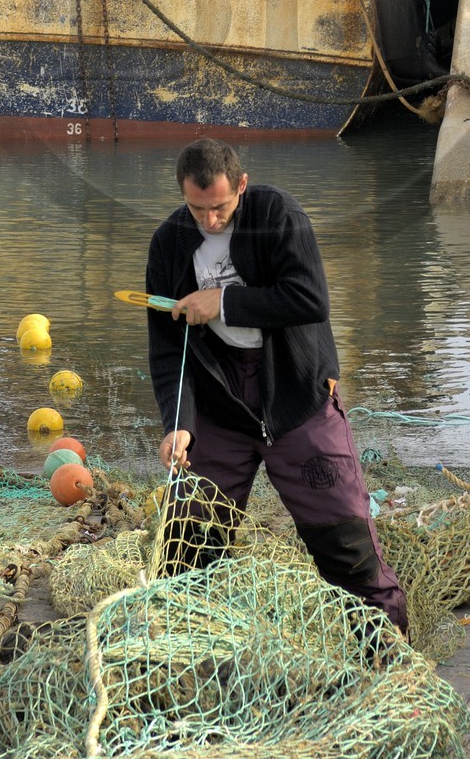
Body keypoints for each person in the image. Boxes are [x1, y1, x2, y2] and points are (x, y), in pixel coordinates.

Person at [145, 137, 407, 632]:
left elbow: (309, 299)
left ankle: (389, 657)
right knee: (188, 551)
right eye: (197, 209)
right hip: (219, 409)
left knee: (346, 546)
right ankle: (186, 659)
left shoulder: (278, 213)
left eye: (220, 207)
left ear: (241, 186)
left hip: (296, 396)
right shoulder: (169, 242)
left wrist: (219, 303)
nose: (210, 221)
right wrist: (178, 424)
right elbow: (166, 352)